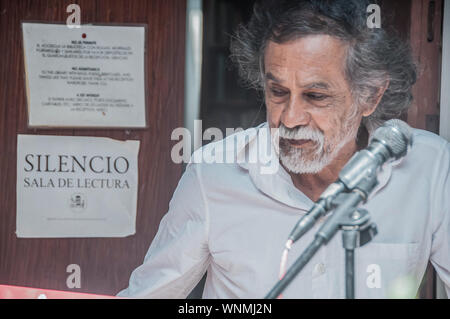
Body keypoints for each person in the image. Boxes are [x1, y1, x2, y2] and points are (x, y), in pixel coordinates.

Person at [117, 0, 450, 298]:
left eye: (315, 96)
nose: (289, 118)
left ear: (371, 96)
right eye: (278, 92)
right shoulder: (213, 173)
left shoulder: (429, 168)